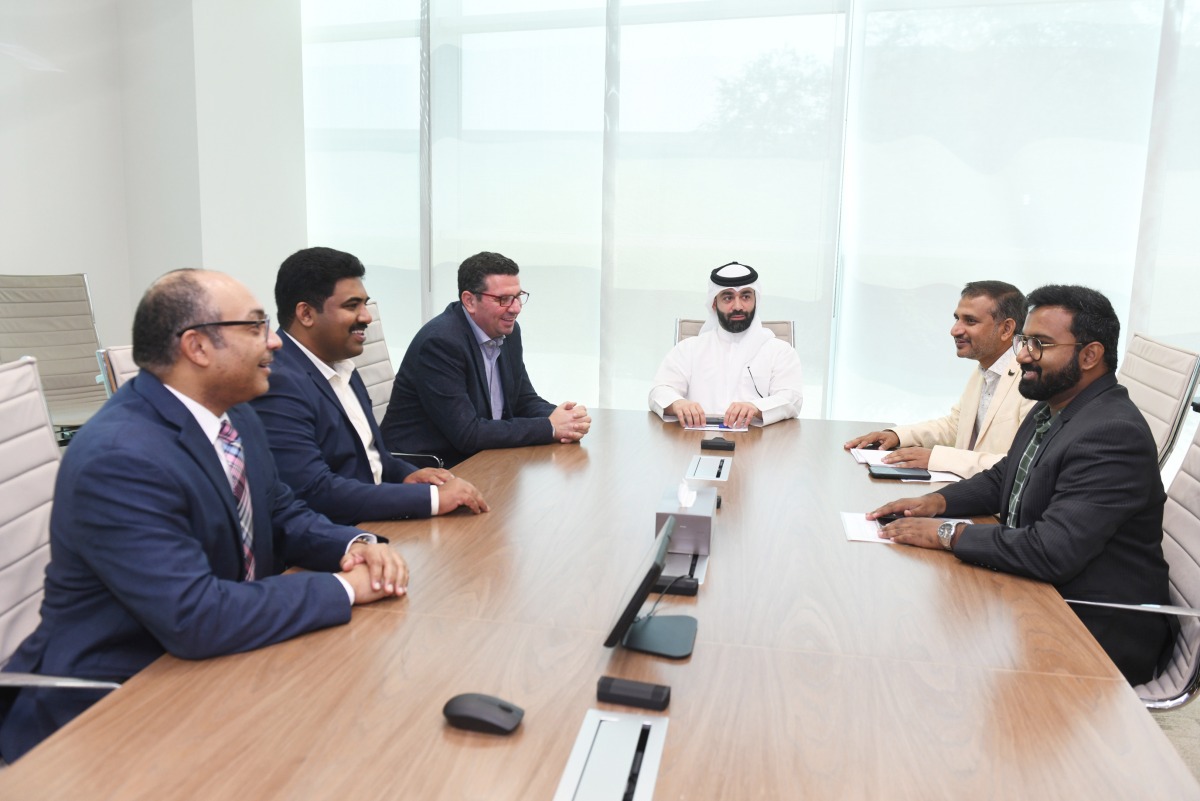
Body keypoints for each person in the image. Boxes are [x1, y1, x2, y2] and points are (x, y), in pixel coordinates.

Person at [0, 269, 408, 763]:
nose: (275, 342)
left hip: (221, 665)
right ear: (197, 347)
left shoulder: (234, 415)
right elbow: (195, 615)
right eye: (256, 326)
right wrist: (344, 589)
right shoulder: (120, 457)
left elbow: (282, 512)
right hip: (115, 702)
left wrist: (353, 546)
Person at [869, 285, 1174, 685]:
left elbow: (1051, 550)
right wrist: (935, 502)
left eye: (1040, 344)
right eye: (1024, 341)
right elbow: (1005, 477)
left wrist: (947, 534)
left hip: (1094, 629)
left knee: (924, 658)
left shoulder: (1112, 433)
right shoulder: (1056, 406)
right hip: (1045, 594)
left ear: (1089, 355)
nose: (1024, 354)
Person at [251, 247, 488, 525]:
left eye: (365, 304)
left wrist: (404, 474)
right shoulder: (278, 383)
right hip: (339, 538)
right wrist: (433, 500)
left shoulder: (343, 365)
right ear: (305, 314)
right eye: (352, 306)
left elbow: (369, 455)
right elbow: (315, 491)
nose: (366, 316)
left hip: (375, 519)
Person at [380, 251, 591, 467]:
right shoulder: (441, 343)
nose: (516, 308)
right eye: (503, 299)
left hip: (482, 458)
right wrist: (550, 427)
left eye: (518, 296)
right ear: (469, 301)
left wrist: (565, 419)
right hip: (429, 467)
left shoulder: (507, 332)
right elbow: (467, 433)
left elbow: (522, 400)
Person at [844, 281, 1035, 478]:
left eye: (970, 321)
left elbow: (1020, 464)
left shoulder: (1033, 378)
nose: (955, 330)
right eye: (957, 319)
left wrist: (936, 458)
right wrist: (897, 436)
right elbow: (955, 426)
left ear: (1006, 329)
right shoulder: (984, 369)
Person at [648, 262, 803, 428]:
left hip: (758, 445)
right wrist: (677, 403)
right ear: (714, 304)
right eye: (728, 297)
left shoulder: (780, 351)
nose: (737, 306)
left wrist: (756, 408)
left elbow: (791, 398)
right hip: (695, 441)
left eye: (745, 296)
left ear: (755, 301)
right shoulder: (689, 349)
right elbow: (659, 391)